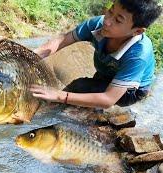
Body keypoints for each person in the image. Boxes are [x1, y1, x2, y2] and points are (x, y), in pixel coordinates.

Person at [31, 0, 162, 109]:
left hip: (132, 91)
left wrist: (59, 96)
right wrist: (31, 56)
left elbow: (108, 99)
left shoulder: (138, 54)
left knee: (79, 88)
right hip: (106, 73)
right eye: (111, 11)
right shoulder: (98, 25)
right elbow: (62, 40)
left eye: (118, 20)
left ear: (137, 31)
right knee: (81, 95)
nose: (107, 21)